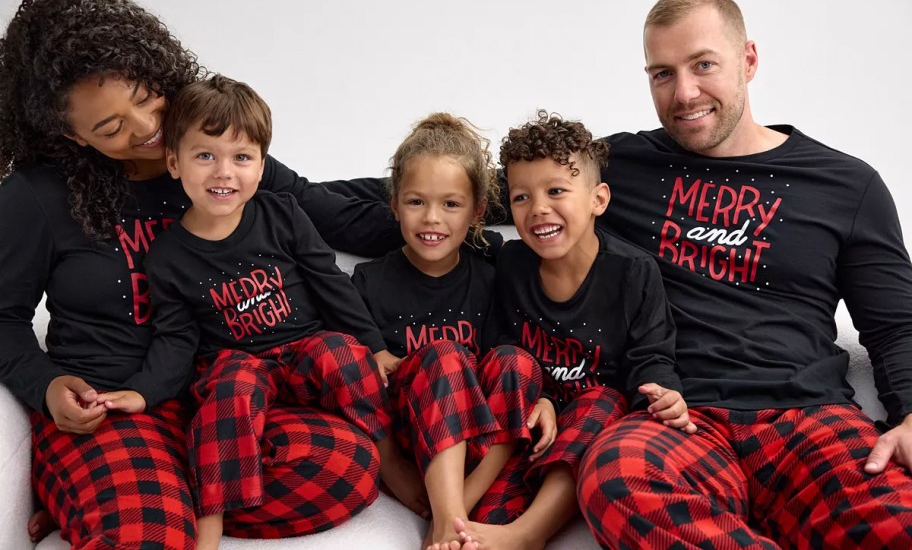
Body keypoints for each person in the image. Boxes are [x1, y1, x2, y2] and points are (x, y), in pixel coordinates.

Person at [0, 0, 401, 548]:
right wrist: (45, 387)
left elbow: (325, 207)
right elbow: (4, 318)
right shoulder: (35, 197)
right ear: (71, 134)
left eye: (147, 95)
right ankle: (128, 494)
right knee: (149, 534)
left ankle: (151, 495)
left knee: (347, 465)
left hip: (226, 402)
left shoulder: (207, 151)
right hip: (116, 404)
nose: (144, 126)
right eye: (111, 128)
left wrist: (478, 199)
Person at [573, 0, 912, 548]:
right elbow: (457, 195)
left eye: (703, 65)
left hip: (808, 419)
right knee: (616, 475)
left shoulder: (845, 185)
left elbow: (897, 326)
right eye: (662, 73)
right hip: (679, 417)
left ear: (749, 61)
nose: (684, 93)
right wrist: (400, 200)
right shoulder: (617, 169)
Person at [106, 74, 423, 549]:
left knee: (341, 353)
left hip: (303, 352)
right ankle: (210, 515)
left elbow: (330, 282)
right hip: (237, 364)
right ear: (175, 161)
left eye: (241, 157)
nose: (223, 172)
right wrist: (141, 392)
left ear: (260, 166)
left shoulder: (283, 213)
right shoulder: (168, 256)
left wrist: (375, 347)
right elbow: (175, 339)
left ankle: (389, 458)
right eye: (205, 155)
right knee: (231, 382)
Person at [451, 112, 695, 550]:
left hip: (593, 430)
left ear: (598, 199)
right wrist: (540, 396)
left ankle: (528, 535)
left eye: (556, 191)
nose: (538, 208)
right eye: (521, 197)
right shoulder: (512, 263)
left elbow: (651, 355)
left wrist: (665, 395)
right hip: (528, 427)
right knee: (480, 526)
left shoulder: (633, 272)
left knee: (602, 398)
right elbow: (502, 343)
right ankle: (483, 523)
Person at [351, 112, 555, 550]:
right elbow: (360, 386)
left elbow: (509, 373)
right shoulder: (369, 280)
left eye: (451, 204)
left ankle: (455, 512)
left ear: (478, 210)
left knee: (515, 361)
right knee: (444, 356)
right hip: (414, 442)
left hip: (479, 449)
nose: (431, 219)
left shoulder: (489, 276)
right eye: (415, 202)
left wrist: (544, 398)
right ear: (394, 204)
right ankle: (447, 520)